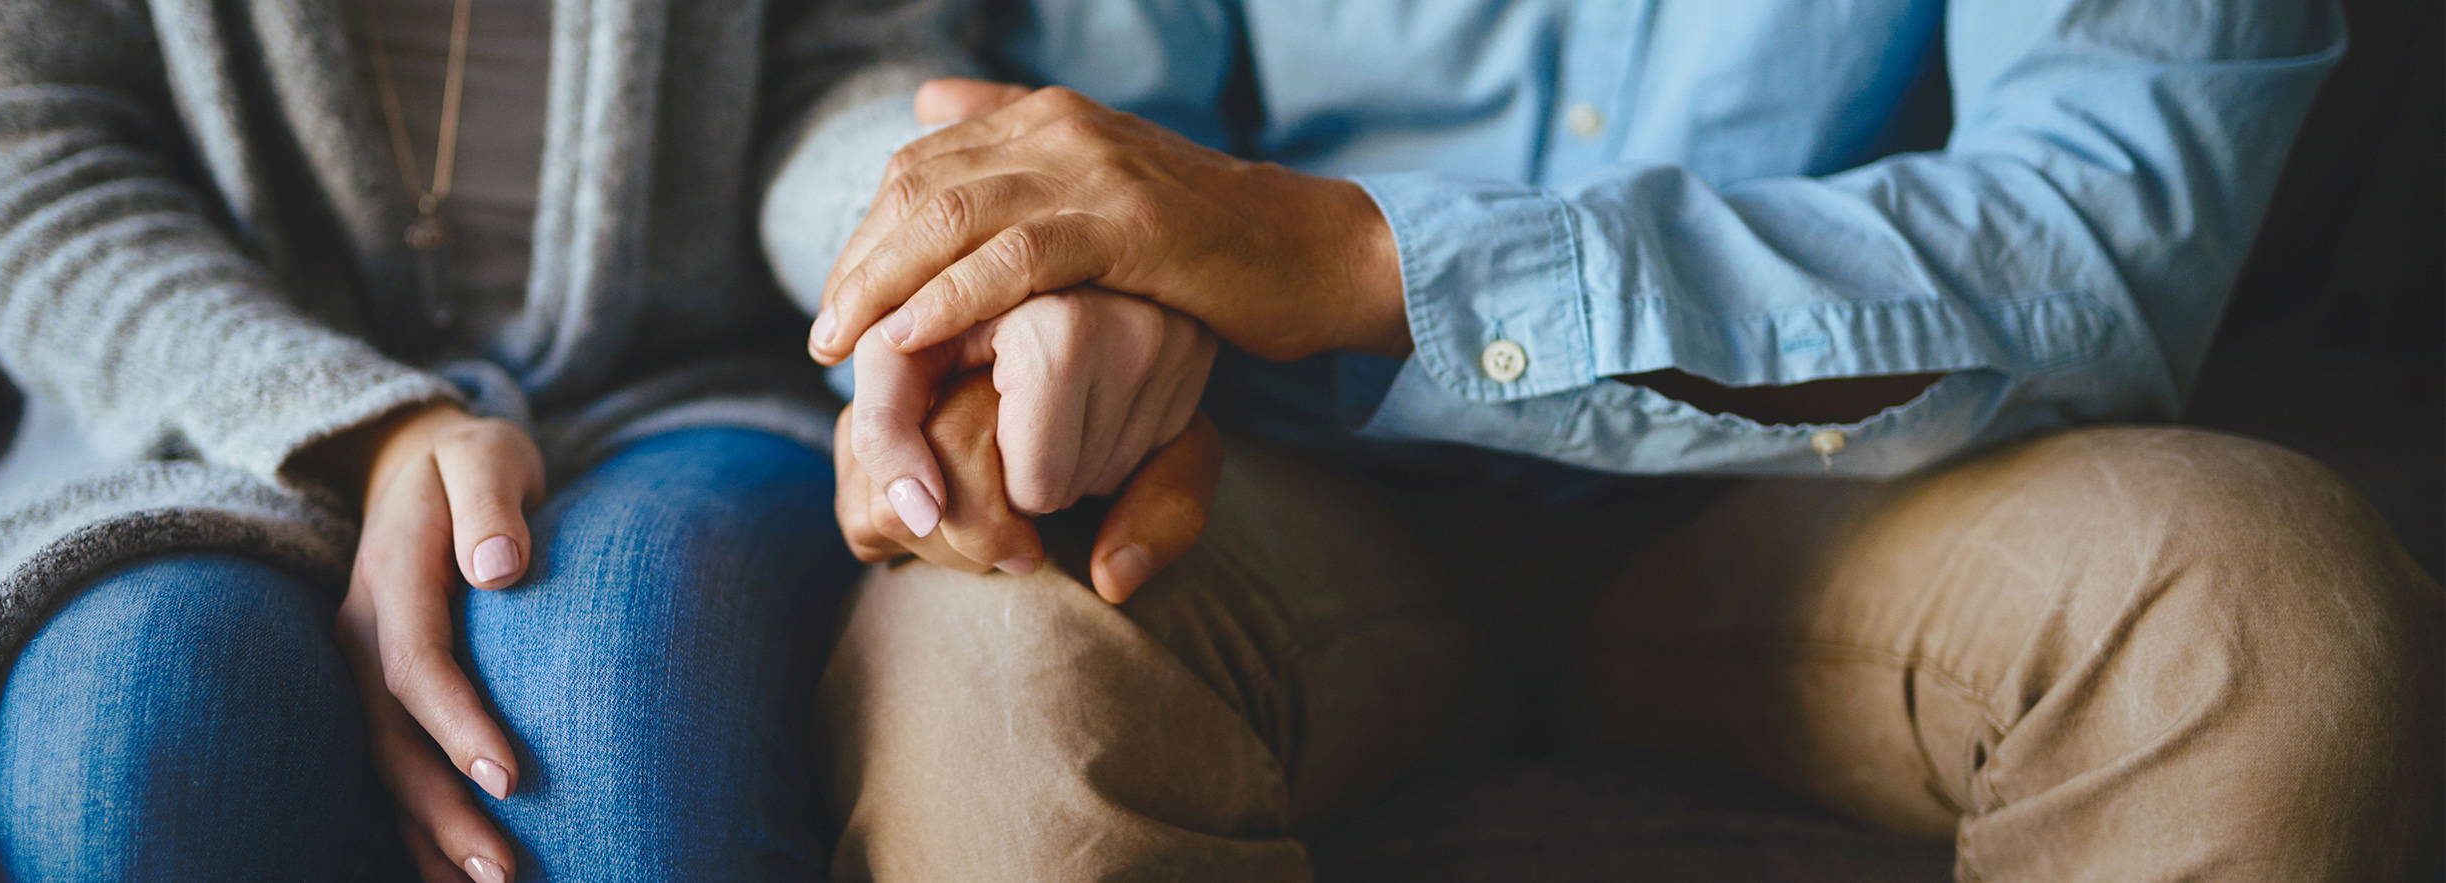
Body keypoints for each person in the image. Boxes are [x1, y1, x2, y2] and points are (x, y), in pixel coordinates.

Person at [761, 0, 2443, 879]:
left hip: (1856, 484)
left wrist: (1363, 259)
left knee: (2255, 604)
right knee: (988, 653)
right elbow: (1039, 117)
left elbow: (2097, 245)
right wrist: (1049, 316)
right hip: (1273, 480)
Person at [0, 0, 876, 880]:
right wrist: (358, 426)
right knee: (131, 730)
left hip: (677, 381)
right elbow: (5, 150)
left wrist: (911, 262)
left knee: (623, 705)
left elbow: (847, 77)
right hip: (195, 396)